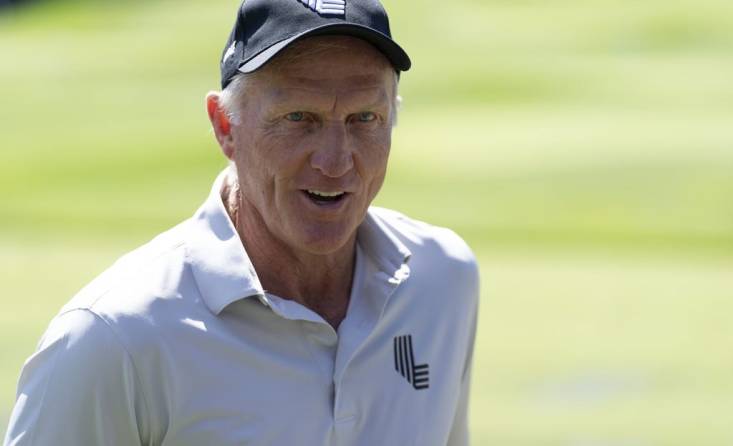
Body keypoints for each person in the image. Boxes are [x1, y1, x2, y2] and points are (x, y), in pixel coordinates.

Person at [2, 0, 479, 445]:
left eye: (364, 118)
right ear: (225, 127)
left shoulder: (443, 281)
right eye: (299, 117)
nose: (336, 162)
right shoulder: (112, 337)